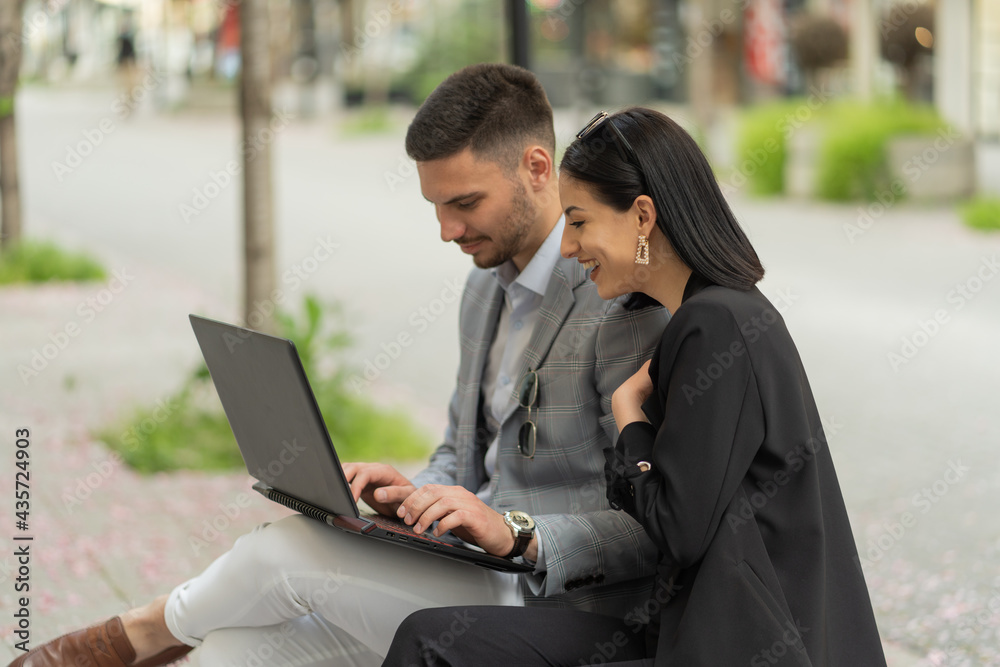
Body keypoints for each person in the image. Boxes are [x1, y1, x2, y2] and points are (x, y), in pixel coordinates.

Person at [10, 66, 667, 667]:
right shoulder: (484, 287)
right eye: (435, 206)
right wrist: (413, 493)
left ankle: (137, 635)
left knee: (282, 553)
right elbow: (463, 455)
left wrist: (513, 533)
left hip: (550, 599)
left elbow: (652, 525)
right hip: (466, 568)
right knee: (232, 654)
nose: (446, 230)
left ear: (536, 166)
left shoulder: (616, 303)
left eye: (464, 203)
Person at [381, 107, 888, 666]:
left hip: (734, 647)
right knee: (431, 637)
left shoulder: (714, 322)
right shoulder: (715, 315)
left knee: (430, 645)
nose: (569, 249)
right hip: (684, 633)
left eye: (578, 223)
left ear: (642, 215)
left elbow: (676, 530)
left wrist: (629, 411)